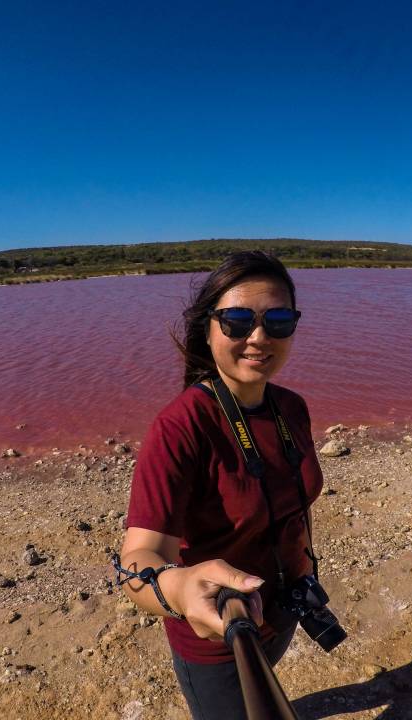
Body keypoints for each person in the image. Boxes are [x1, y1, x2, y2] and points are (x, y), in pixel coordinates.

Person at [117, 251, 325, 719]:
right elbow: (137, 560)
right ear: (207, 329)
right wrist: (182, 588)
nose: (258, 337)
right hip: (214, 634)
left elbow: (297, 502)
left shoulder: (291, 408)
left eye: (278, 320)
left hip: (282, 608)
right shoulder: (181, 426)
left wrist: (305, 571)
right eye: (236, 321)